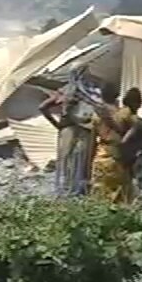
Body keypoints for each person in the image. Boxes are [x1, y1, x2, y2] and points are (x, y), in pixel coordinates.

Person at [39, 68, 96, 197]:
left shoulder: (64, 92)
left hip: (66, 129)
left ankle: (64, 188)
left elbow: (43, 107)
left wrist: (56, 124)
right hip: (83, 130)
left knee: (66, 158)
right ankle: (78, 189)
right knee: (81, 158)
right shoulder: (90, 94)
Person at [89, 82, 135, 204]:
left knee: (101, 192)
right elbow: (134, 132)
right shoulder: (125, 113)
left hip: (101, 155)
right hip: (119, 156)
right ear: (117, 95)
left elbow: (92, 140)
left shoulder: (96, 115)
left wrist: (89, 161)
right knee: (121, 192)